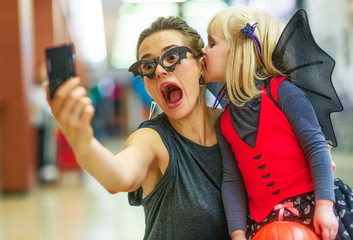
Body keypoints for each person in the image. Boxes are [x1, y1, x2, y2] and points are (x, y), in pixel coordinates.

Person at [45, 16, 229, 239]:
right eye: (148, 66)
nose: (160, 70)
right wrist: (83, 142)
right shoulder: (152, 138)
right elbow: (118, 175)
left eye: (172, 56)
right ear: (145, 84)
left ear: (201, 64)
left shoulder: (237, 125)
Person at [201, 6, 340, 240]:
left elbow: (316, 148)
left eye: (211, 44)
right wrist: (237, 234)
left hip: (313, 211)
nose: (203, 51)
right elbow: (233, 181)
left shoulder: (283, 93)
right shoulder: (224, 123)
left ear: (239, 52)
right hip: (262, 225)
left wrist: (325, 206)